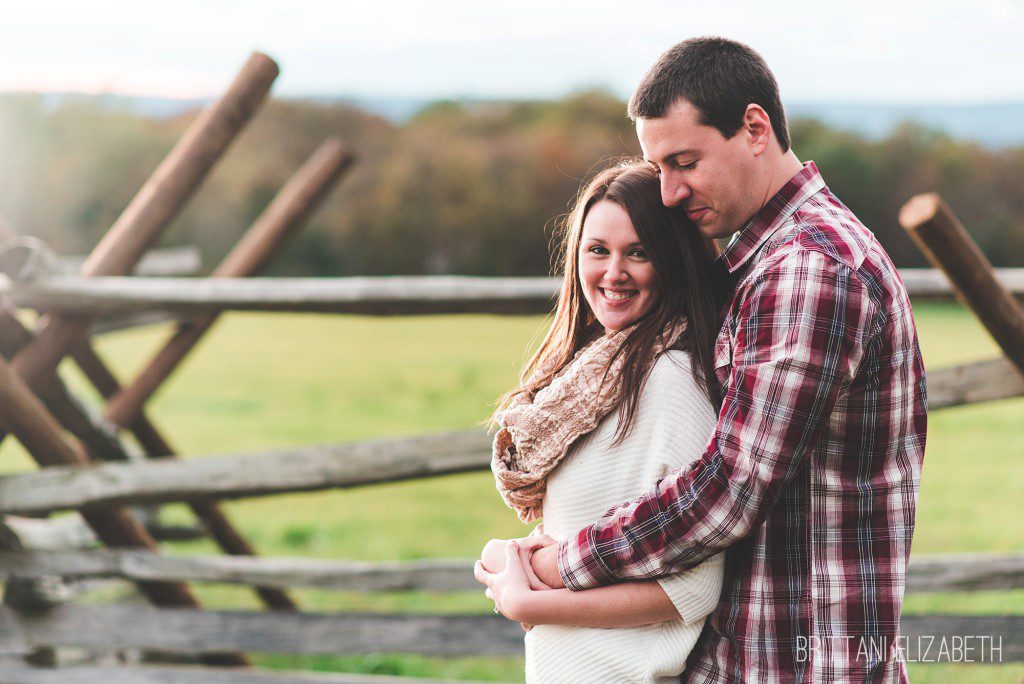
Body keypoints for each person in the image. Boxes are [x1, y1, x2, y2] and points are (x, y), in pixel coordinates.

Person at [478, 37, 927, 682]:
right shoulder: (768, 262)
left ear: (753, 128)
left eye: (684, 161)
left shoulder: (806, 271)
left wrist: (558, 567)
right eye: (657, 167)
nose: (667, 192)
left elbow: (730, 490)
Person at [475, 161, 731, 682]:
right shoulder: (591, 379)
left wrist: (531, 604)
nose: (614, 273)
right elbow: (600, 523)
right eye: (598, 250)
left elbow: (694, 589)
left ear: (672, 261)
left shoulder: (668, 381)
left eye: (638, 252)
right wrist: (524, 556)